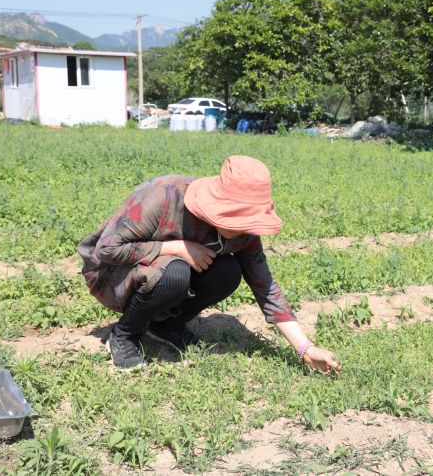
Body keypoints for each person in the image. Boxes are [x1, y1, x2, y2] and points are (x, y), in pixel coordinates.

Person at [77, 155, 342, 374]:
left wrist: (306, 348)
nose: (243, 230)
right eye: (236, 219)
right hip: (111, 274)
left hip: (156, 272)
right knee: (175, 273)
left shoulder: (245, 233)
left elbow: (265, 287)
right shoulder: (165, 196)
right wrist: (177, 247)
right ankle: (124, 333)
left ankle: (165, 326)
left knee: (228, 272)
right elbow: (107, 249)